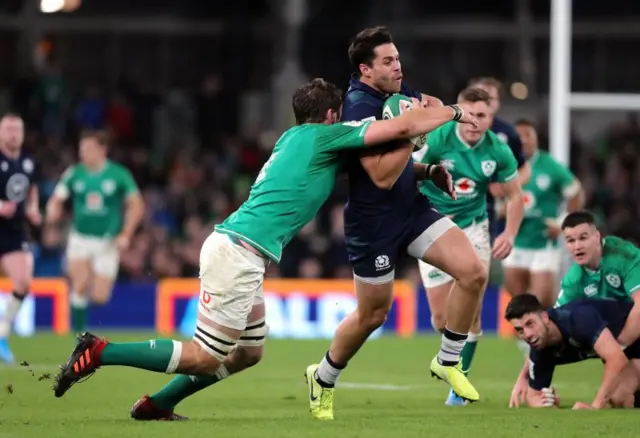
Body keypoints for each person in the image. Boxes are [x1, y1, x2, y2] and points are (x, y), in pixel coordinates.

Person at [51, 78, 478, 420]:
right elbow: (401, 128)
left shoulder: (296, 141)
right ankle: (101, 351)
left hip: (240, 249)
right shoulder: (326, 136)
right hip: (237, 252)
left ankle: (158, 403)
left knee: (247, 354)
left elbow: (373, 171)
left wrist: (422, 172)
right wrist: (453, 112)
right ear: (332, 116)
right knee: (205, 356)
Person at [305, 27, 486, 421]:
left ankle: (448, 360)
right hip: (373, 224)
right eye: (388, 61)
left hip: (411, 210)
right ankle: (322, 376)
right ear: (366, 70)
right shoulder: (357, 107)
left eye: (398, 58)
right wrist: (416, 129)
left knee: (473, 272)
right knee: (373, 315)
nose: (398, 66)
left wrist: (428, 170)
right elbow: (381, 176)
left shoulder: (394, 93)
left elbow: (429, 104)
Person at [415, 87, 524, 405]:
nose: (475, 121)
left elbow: (516, 194)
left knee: (472, 311)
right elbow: (406, 170)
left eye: (483, 115)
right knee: (440, 319)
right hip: (432, 224)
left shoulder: (498, 150)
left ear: (491, 118)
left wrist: (510, 233)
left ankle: (457, 385)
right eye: (470, 114)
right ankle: (452, 360)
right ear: (458, 112)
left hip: (474, 228)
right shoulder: (438, 138)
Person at [509, 210, 640, 406]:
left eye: (583, 238)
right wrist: (524, 376)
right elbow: (547, 324)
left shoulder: (624, 256)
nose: (577, 246)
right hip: (628, 340)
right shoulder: (573, 280)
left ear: (597, 237)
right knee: (620, 398)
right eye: (570, 240)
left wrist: (617, 347)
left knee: (620, 389)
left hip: (631, 335)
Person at [46, 131, 144, 333]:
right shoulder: (75, 173)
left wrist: (126, 233)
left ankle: (87, 292)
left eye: (88, 149)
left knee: (100, 296)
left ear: (102, 150)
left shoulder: (119, 174)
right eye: (82, 149)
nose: (83, 153)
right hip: (80, 238)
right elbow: (57, 198)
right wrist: (53, 212)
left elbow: (136, 204)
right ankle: (79, 334)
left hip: (107, 242)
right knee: (80, 283)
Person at [505, 294, 640, 409]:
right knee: (620, 397)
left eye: (530, 324)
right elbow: (533, 395)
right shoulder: (540, 347)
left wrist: (595, 406)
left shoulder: (578, 318)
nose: (527, 334)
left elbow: (616, 359)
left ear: (545, 318)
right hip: (631, 353)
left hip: (635, 340)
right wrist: (547, 403)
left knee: (620, 396)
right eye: (520, 330)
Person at [502, 119, 584, 309]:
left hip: (544, 241)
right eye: (518, 136)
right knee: (517, 299)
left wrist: (563, 223)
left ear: (536, 139)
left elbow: (576, 191)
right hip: (515, 240)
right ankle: (526, 338)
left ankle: (546, 333)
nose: (523, 140)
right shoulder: (504, 163)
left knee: (542, 300)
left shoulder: (549, 165)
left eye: (528, 135)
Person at [0, 113, 42, 363]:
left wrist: (33, 208)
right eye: (8, 128)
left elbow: (32, 188)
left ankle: (1, 333)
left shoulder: (28, 161)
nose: (14, 133)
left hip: (14, 230)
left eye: (18, 129)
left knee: (23, 283)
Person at [467, 77, 530, 237]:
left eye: (490, 98)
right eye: (479, 95)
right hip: (453, 205)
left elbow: (524, 169)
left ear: (498, 103)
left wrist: (505, 187)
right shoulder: (450, 129)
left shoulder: (507, 134)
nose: (484, 102)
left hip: (488, 208)